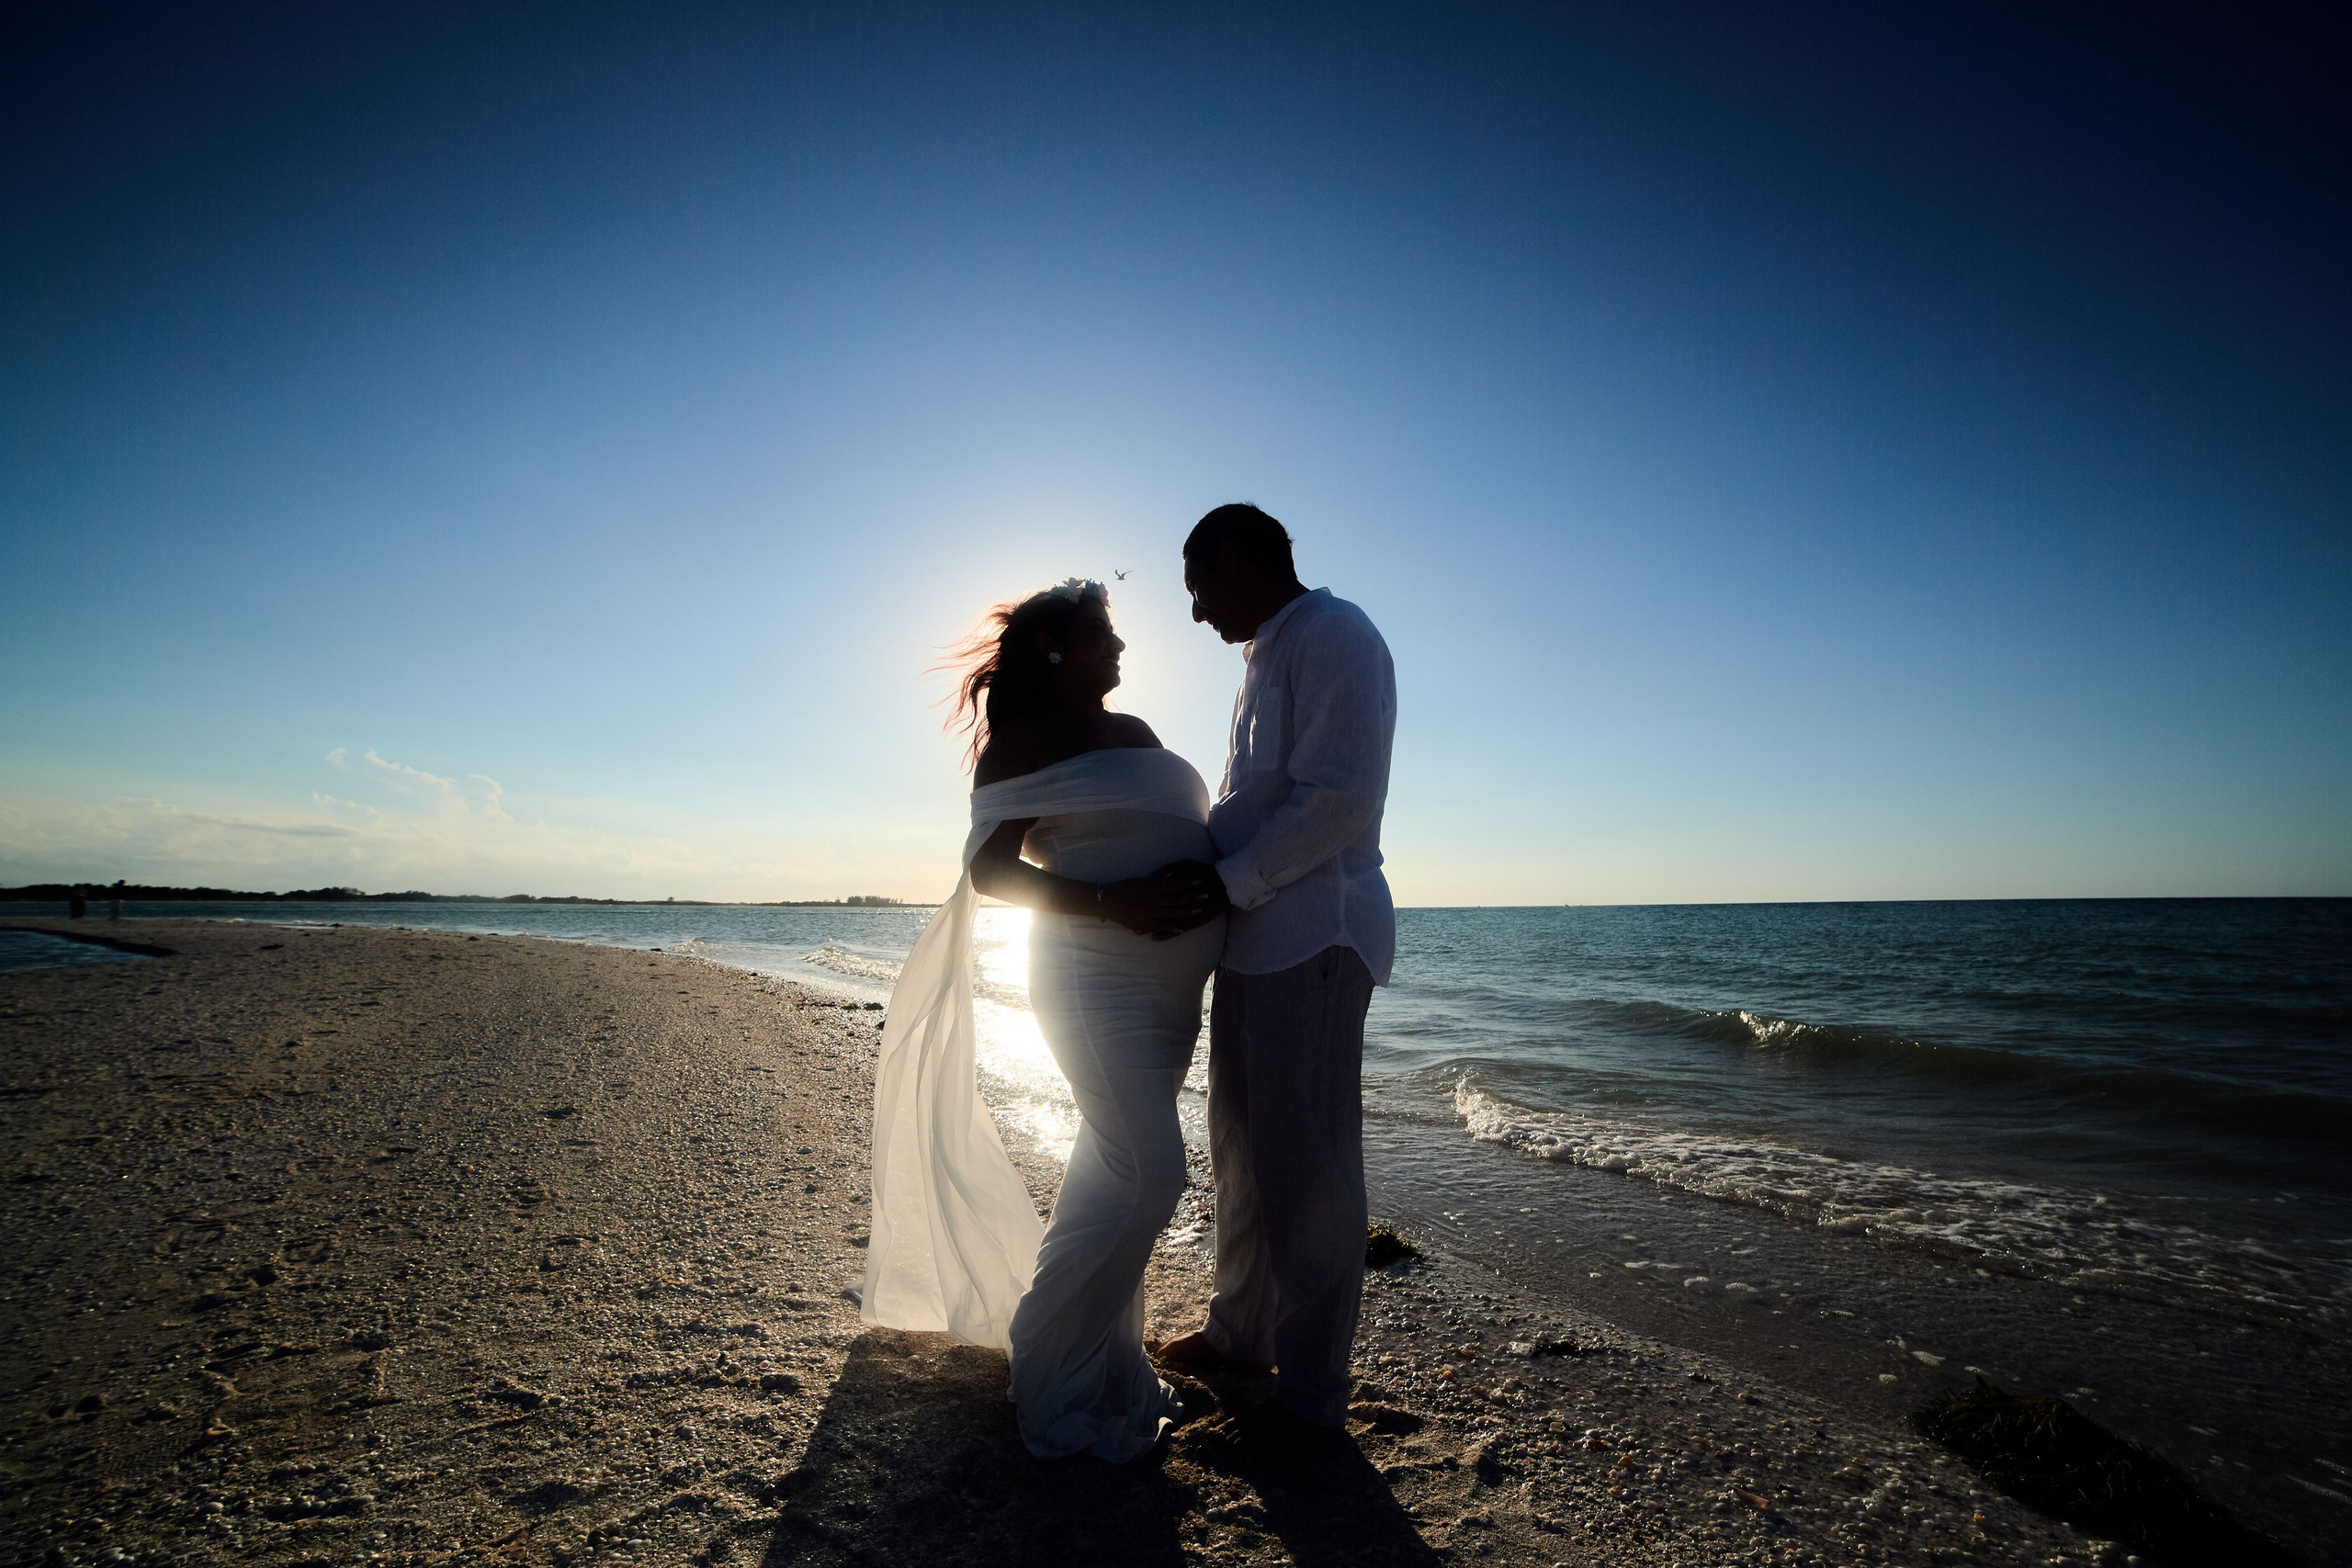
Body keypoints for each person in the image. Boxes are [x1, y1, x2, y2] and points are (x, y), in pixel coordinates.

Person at [861, 578, 1226, 1461]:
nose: (1124, 649)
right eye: (1105, 633)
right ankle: (1045, 1346)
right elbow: (991, 871)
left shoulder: (1137, 733)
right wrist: (1118, 899)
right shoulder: (1021, 744)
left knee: (1109, 1169)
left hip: (1173, 993)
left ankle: (1102, 1359)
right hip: (1091, 977)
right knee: (1153, 1173)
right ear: (1055, 647)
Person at [1153, 503, 1398, 1446]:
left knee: (1311, 1168)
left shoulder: (1335, 635)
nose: (1195, 612)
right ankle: (1240, 1334)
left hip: (1316, 934)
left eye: (1197, 588)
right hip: (1254, 934)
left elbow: (1339, 800)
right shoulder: (1265, 656)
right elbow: (1246, 803)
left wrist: (1225, 882)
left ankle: (1309, 1396)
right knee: (1241, 1150)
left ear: (1238, 560)